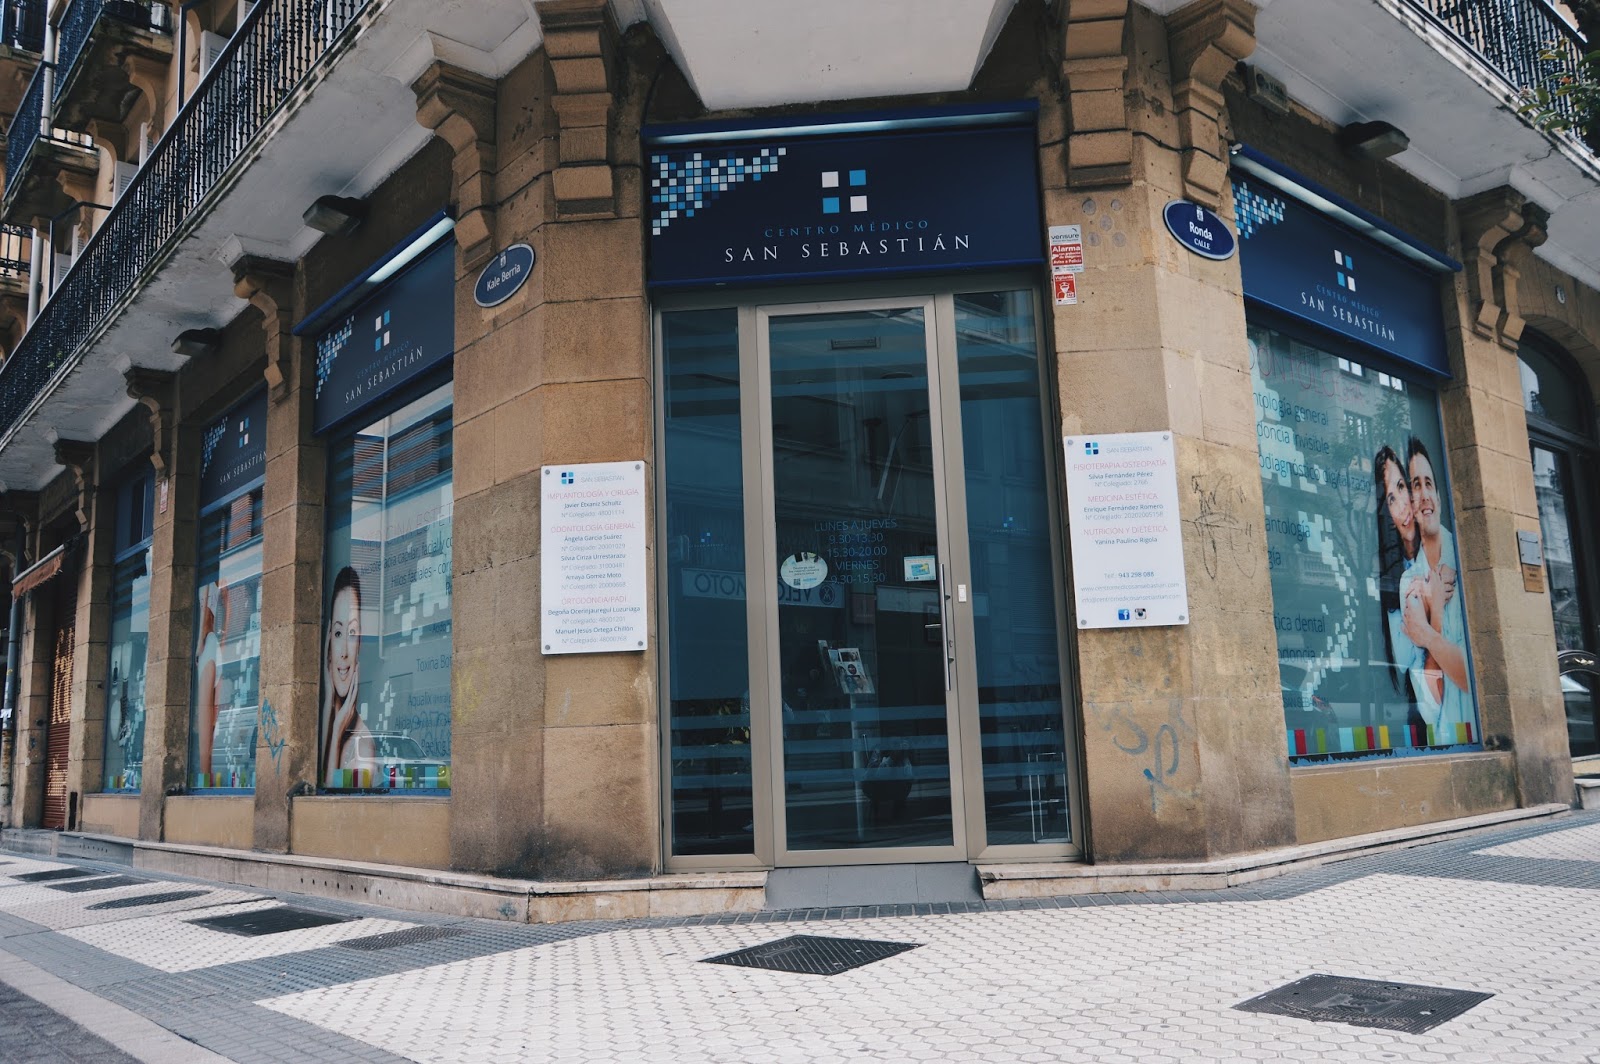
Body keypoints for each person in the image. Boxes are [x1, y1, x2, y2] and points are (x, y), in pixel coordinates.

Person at [1402, 438, 1472, 741]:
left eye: (1428, 483)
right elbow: (1431, 704)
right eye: (1415, 485)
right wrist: (1437, 613)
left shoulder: (1466, 559)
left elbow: (1473, 677)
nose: (1424, 494)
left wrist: (1428, 635)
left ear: (1440, 498)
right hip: (1449, 738)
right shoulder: (1410, 583)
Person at [1373, 445, 1439, 725]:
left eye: (1402, 487)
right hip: (1426, 708)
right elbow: (1404, 661)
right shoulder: (1395, 581)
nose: (1402, 505)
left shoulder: (1438, 551)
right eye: (1391, 498)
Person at [321, 565, 370, 786]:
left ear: (360, 644)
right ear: (329, 641)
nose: (343, 652)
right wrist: (327, 705)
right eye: (339, 633)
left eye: (352, 633)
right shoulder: (325, 717)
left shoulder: (363, 745)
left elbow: (330, 794)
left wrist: (336, 731)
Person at [194, 581, 223, 777]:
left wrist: (199, 644)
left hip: (207, 646)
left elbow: (205, 617)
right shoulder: (222, 581)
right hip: (216, 643)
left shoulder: (207, 582)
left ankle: (205, 778)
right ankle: (208, 777)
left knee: (206, 719)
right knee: (212, 719)